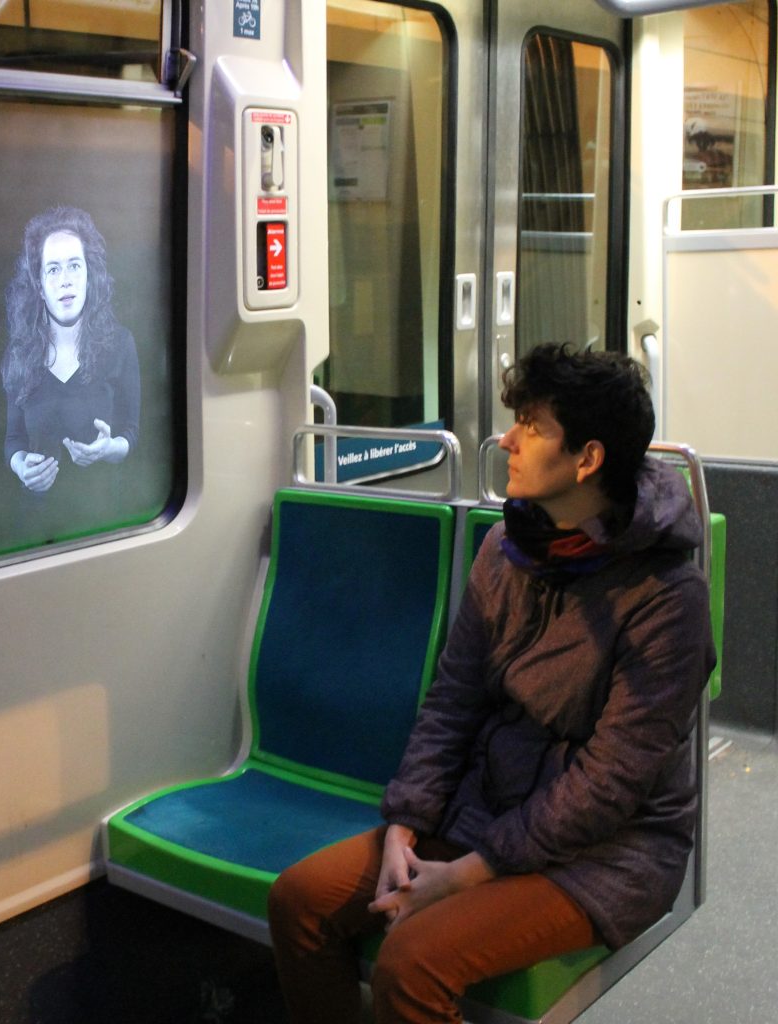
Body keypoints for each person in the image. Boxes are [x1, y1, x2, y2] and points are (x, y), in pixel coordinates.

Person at [268, 343, 716, 1024]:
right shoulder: (506, 553)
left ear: (587, 459)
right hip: (489, 809)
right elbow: (453, 700)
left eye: (532, 426)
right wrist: (406, 825)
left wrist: (466, 875)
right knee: (300, 901)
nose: (507, 438)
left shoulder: (666, 599)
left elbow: (611, 784)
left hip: (610, 851)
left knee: (413, 962)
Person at [1, 205, 139, 500]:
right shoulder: (20, 354)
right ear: (39, 286)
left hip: (104, 517)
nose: (65, 280)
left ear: (90, 276)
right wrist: (21, 468)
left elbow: (132, 431)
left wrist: (109, 450)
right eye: (53, 269)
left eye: (75, 265)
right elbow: (13, 440)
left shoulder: (121, 345)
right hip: (37, 524)